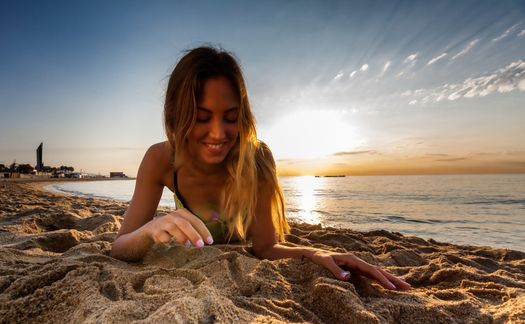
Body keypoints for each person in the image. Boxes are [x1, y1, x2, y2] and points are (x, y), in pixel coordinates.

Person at [110, 46, 411, 291]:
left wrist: (313, 252)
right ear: (177, 115)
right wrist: (150, 230)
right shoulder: (161, 159)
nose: (218, 134)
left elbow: (265, 248)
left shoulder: (257, 158)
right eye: (202, 117)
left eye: (230, 117)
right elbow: (120, 247)